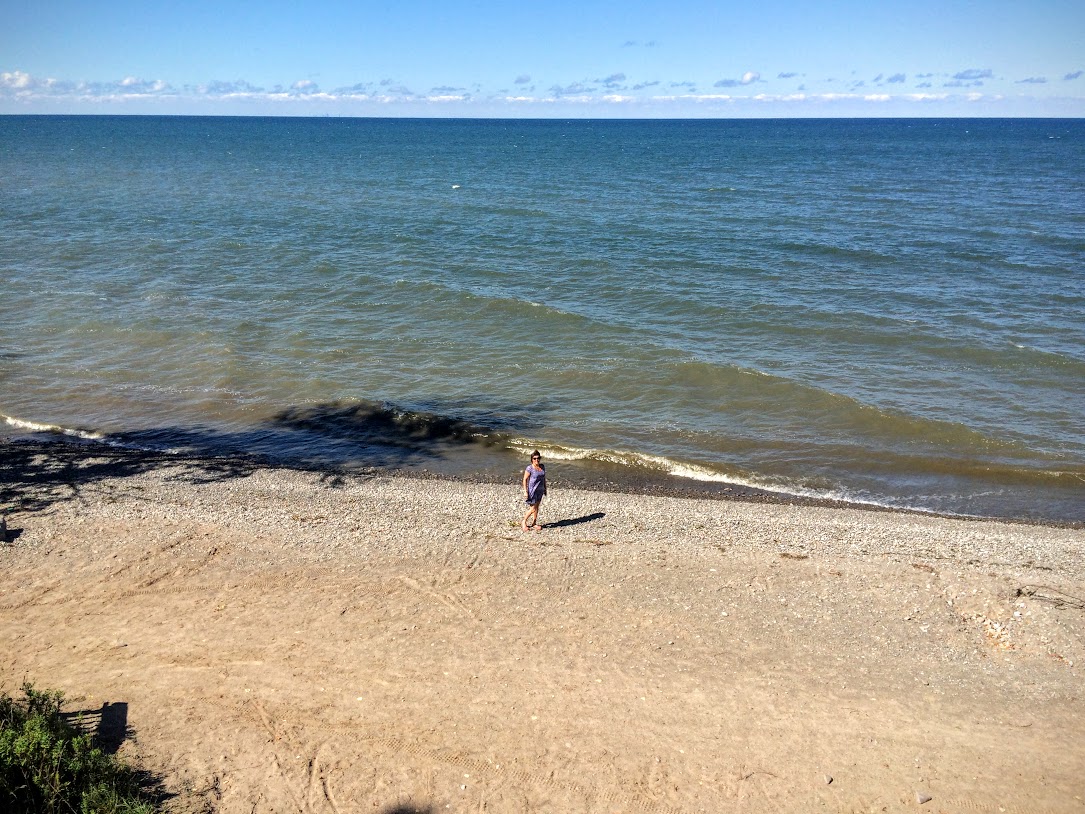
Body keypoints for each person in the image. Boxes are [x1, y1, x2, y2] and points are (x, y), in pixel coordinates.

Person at [521, 450, 547, 531]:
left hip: (540, 490)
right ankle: (524, 521)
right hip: (532, 490)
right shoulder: (530, 468)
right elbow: (525, 479)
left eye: (538, 458)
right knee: (533, 508)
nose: (536, 460)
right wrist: (525, 491)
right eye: (534, 458)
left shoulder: (542, 466)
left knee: (537, 507)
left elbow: (544, 478)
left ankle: (534, 523)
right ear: (532, 459)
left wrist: (545, 488)